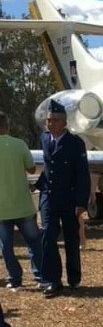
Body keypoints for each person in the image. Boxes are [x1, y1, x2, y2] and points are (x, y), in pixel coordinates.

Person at [33, 100, 90, 298]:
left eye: (55, 120)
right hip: (49, 196)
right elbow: (49, 168)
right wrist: (38, 185)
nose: (51, 124)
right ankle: (53, 281)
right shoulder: (45, 138)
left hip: (69, 197)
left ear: (64, 122)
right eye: (48, 120)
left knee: (71, 240)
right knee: (47, 236)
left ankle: (73, 278)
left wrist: (81, 202)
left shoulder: (75, 143)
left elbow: (83, 174)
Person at [0, 111, 43, 289]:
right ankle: (41, 276)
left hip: (2, 209)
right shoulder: (19, 144)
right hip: (23, 204)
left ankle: (15, 279)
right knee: (34, 241)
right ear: (7, 125)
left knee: (6, 247)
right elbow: (32, 169)